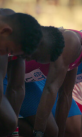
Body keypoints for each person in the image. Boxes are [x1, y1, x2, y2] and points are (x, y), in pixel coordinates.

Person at [5, 26, 82, 137]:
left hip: (23, 81)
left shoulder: (80, 56)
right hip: (7, 72)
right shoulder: (72, 42)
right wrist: (38, 133)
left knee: (52, 132)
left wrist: (60, 133)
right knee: (30, 128)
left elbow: (66, 96)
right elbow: (50, 88)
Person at [0, 8, 42, 136]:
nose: (5, 54)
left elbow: (17, 88)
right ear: (6, 31)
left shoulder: (10, 31)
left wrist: (13, 130)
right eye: (7, 50)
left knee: (10, 122)